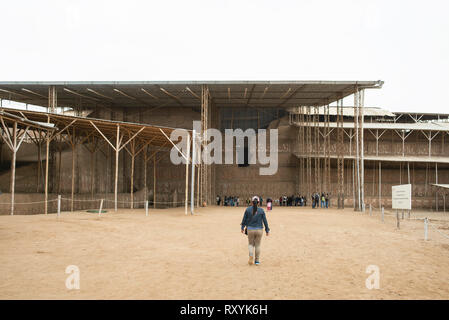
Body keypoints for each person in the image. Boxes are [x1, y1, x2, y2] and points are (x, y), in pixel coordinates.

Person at [241, 196, 270, 266]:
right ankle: (257, 261)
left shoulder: (248, 210)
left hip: (250, 229)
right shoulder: (261, 210)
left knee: (250, 244)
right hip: (259, 229)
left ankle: (251, 255)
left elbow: (244, 219)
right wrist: (267, 230)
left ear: (251, 202)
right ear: (259, 202)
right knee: (258, 245)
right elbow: (265, 221)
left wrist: (242, 227)